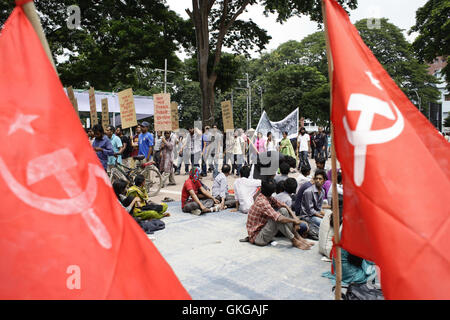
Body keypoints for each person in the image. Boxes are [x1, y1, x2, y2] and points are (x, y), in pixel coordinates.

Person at [246, 179, 313, 250]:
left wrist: (294, 217)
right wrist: (294, 221)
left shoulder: (265, 196)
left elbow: (283, 205)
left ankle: (298, 237)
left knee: (283, 210)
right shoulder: (262, 202)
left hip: (263, 230)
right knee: (277, 219)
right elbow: (279, 218)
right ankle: (295, 241)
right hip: (258, 238)